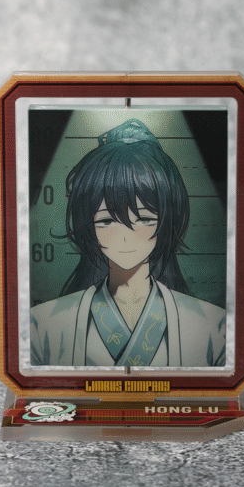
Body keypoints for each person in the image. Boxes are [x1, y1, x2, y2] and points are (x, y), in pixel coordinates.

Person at [30, 119, 225, 367]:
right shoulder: (42, 326)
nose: (125, 236)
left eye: (144, 219)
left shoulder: (214, 327)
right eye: (106, 221)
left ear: (166, 221)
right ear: (88, 223)